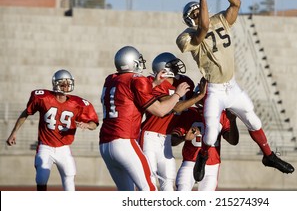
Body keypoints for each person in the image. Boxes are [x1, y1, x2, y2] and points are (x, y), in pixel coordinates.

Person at [176, 0, 295, 182]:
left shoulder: (219, 20)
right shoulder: (186, 37)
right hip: (214, 90)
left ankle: (268, 156)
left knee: (254, 120)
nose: (197, 14)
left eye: (198, 11)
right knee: (211, 133)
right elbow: (202, 28)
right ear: (188, 20)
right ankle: (203, 155)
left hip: (232, 86)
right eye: (193, 14)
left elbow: (236, 3)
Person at [99, 46, 190, 191]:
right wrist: (177, 95)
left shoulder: (111, 79)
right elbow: (160, 111)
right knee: (149, 189)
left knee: (127, 195)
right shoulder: (137, 79)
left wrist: (154, 83)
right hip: (124, 141)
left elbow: (129, 94)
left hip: (104, 145)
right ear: (131, 62)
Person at [6, 69, 99, 191]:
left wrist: (87, 125)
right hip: (45, 146)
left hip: (64, 148)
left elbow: (94, 124)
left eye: (68, 83)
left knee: (69, 176)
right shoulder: (43, 98)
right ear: (56, 84)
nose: (66, 86)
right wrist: (14, 132)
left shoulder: (78, 103)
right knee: (41, 178)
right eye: (63, 84)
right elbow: (26, 112)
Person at [140, 52, 206, 191]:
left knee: (169, 181)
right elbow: (174, 107)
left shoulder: (185, 81)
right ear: (163, 69)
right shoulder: (154, 83)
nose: (177, 67)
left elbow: (190, 101)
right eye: (173, 65)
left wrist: (203, 89)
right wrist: (198, 96)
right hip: (150, 136)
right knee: (148, 180)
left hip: (166, 138)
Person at [171, 82, 239, 191]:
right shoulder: (189, 113)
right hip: (190, 162)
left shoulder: (222, 115)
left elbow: (233, 141)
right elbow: (173, 141)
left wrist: (233, 120)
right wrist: (184, 138)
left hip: (211, 164)